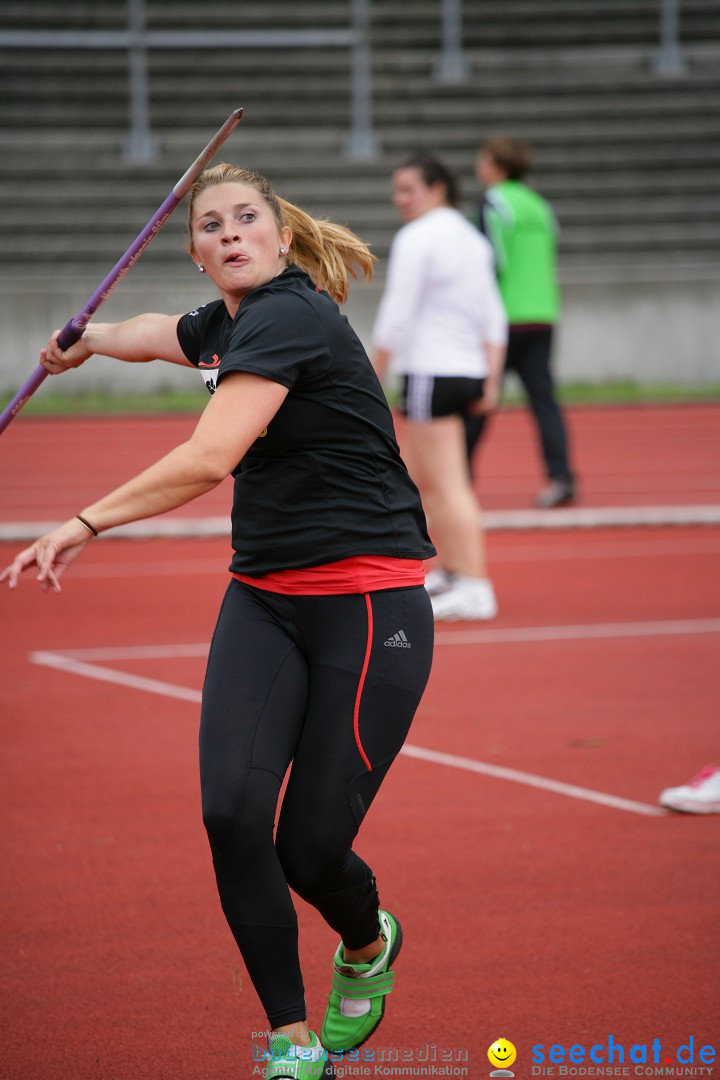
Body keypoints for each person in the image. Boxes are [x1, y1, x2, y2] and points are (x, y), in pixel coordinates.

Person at [1, 164, 437, 1080]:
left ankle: (366, 939)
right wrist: (88, 341)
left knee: (311, 848)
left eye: (247, 219)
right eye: (211, 225)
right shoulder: (226, 322)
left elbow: (210, 457)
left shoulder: (290, 314)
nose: (230, 233)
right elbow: (163, 332)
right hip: (266, 598)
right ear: (196, 252)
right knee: (232, 814)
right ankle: (289, 1038)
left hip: (370, 603)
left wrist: (82, 523)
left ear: (279, 239)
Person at [371, 153, 507, 622]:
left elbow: (397, 313)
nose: (399, 199)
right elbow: (494, 315)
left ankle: (474, 585)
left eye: (408, 189)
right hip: (463, 369)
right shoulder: (472, 238)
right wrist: (491, 376)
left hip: (432, 370)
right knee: (422, 478)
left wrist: (369, 375)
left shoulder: (419, 237)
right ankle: (452, 570)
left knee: (448, 483)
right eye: (397, 190)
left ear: (437, 189)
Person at [467, 136, 577, 509]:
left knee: (480, 399)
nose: (478, 167)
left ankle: (457, 479)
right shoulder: (540, 206)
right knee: (544, 401)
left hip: (503, 318)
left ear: (499, 167)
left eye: (483, 161)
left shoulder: (494, 203)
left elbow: (488, 260)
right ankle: (562, 477)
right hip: (542, 313)